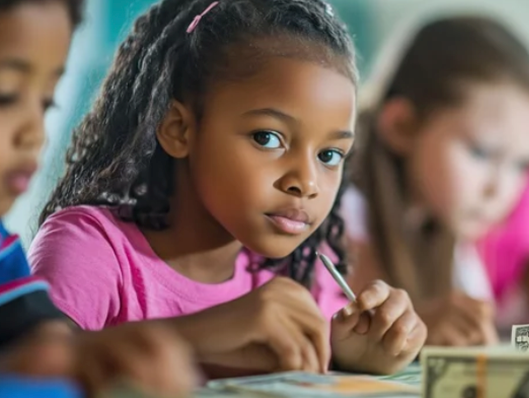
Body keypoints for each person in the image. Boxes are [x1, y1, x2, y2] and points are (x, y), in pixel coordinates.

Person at [30, 0, 426, 376]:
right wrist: (200, 335)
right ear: (179, 129)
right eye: (268, 138)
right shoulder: (92, 250)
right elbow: (31, 371)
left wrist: (354, 354)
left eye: (329, 155)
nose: (306, 183)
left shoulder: (301, 272)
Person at [0, 0, 196, 396]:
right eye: (5, 96)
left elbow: (46, 347)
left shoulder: (4, 257)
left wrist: (92, 358)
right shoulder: (86, 241)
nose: (35, 133)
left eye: (46, 103)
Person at [342, 15, 529, 346]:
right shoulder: (340, 218)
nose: (499, 190)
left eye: (520, 164)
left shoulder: (449, 234)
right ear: (402, 125)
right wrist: (414, 332)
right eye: (481, 153)